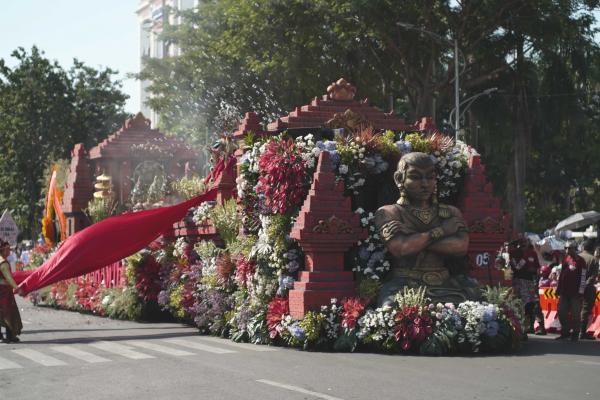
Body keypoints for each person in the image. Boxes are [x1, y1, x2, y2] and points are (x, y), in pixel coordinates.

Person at [374, 152, 478, 306]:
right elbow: (401, 249)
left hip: (445, 285)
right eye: (415, 177)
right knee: (390, 307)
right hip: (405, 284)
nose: (425, 184)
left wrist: (416, 240)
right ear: (399, 179)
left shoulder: (450, 212)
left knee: (476, 304)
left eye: (430, 177)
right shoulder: (388, 212)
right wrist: (441, 231)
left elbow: (461, 246)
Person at [510, 238, 546, 335]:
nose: (524, 244)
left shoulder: (532, 253)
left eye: (526, 242)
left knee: (535, 304)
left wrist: (535, 279)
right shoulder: (515, 253)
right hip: (519, 282)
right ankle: (523, 328)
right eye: (522, 243)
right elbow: (517, 267)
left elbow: (537, 268)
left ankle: (540, 327)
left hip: (531, 282)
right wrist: (524, 259)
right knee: (521, 305)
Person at [555, 240, 587, 341]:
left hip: (575, 293)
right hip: (564, 292)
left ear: (575, 249)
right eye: (566, 248)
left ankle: (575, 333)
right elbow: (561, 275)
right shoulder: (566, 259)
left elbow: (583, 277)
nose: (567, 250)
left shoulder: (581, 261)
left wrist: (581, 292)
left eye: (569, 248)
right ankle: (565, 332)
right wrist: (558, 288)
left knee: (576, 314)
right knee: (561, 312)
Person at [0, 240, 23, 343]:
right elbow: (8, 278)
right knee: (8, 313)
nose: (9, 251)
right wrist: (16, 288)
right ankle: (10, 336)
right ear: (3, 250)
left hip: (4, 290)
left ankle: (3, 336)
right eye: (8, 249)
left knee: (3, 313)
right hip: (4, 291)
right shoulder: (3, 263)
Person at [579, 244, 599, 340]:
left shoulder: (577, 257)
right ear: (592, 250)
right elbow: (593, 276)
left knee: (576, 307)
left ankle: (574, 330)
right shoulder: (594, 260)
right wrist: (586, 285)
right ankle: (582, 332)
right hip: (588, 287)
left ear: (583, 248)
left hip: (575, 286)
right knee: (586, 309)